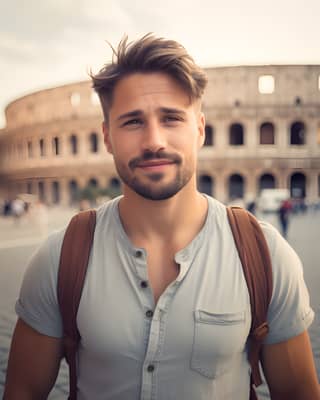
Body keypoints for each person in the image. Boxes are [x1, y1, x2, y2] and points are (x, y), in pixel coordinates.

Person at [4, 34, 320, 400]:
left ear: (200, 129)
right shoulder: (59, 259)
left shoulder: (265, 256)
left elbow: (299, 392)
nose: (154, 140)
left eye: (171, 118)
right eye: (133, 122)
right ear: (106, 137)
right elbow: (22, 391)